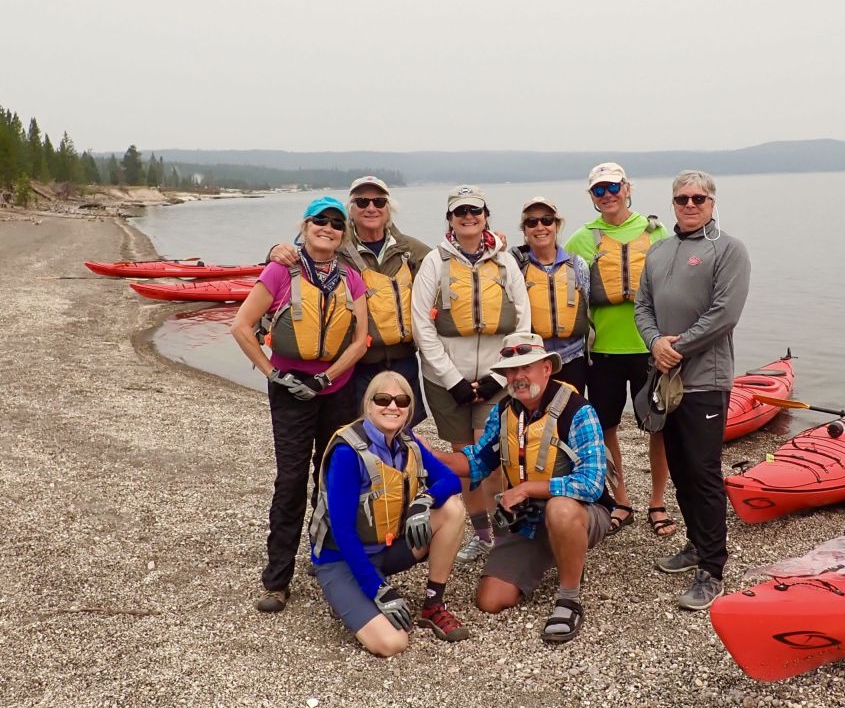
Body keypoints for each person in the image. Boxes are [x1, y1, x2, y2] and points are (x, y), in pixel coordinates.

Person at [231, 196, 369, 613]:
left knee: (331, 478)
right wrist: (273, 373)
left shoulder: (351, 278)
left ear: (343, 233)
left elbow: (361, 339)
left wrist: (328, 376)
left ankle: (323, 556)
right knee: (290, 482)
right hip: (290, 390)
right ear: (305, 227)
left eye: (335, 224)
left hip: (337, 388)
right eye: (319, 222)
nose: (327, 229)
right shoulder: (280, 271)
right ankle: (276, 581)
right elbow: (240, 326)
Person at [433, 332, 612, 643]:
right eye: (510, 371)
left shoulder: (578, 410)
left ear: (546, 367)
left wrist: (529, 489)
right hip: (527, 520)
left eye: (525, 367)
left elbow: (592, 483)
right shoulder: (504, 411)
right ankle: (559, 552)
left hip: (580, 513)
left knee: (561, 508)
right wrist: (429, 457)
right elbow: (477, 461)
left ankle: (569, 598)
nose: (517, 377)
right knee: (489, 601)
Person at [634, 170, 751, 610]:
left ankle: (713, 568)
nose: (689, 204)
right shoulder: (660, 250)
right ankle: (696, 546)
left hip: (705, 381)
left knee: (702, 473)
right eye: (681, 198)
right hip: (666, 377)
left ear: (712, 202)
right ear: (672, 203)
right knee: (680, 470)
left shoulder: (728, 250)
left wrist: (677, 347)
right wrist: (655, 343)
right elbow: (642, 306)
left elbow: (725, 314)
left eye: (698, 198)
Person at [308, 371, 470, 656]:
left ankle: (433, 606)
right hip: (341, 560)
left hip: (387, 548)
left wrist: (425, 500)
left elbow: (451, 480)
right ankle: (347, 593)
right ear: (368, 405)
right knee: (393, 643)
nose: (392, 406)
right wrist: (377, 590)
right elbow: (343, 532)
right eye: (383, 399)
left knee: (452, 508)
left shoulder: (408, 442)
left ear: (409, 409)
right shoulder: (348, 452)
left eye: (402, 400)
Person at [410, 185, 531, 564]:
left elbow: (523, 318)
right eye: (460, 211)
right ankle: (482, 535)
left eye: (474, 211)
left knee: (491, 458)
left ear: (485, 216)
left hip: (496, 378)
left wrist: (500, 375)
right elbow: (421, 324)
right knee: (464, 459)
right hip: (447, 381)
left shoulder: (505, 261)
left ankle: (504, 526)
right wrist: (453, 380)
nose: (468, 217)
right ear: (450, 219)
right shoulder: (435, 262)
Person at [564, 163, 674, 538]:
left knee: (657, 426)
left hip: (649, 348)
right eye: (598, 190)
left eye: (613, 187)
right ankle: (622, 499)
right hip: (604, 353)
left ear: (627, 187)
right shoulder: (581, 239)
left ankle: (658, 502)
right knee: (606, 427)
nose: (607, 195)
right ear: (591, 197)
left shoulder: (656, 232)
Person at [268, 176, 431, 424]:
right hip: (357, 363)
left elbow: (447, 266)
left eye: (379, 201)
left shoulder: (412, 249)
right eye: (362, 202)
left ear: (389, 209)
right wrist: (273, 251)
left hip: (404, 360)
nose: (371, 208)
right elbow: (302, 253)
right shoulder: (336, 247)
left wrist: (491, 240)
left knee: (405, 429)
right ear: (350, 211)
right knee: (359, 430)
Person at [509, 197, 589, 393]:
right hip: (531, 359)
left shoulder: (578, 266)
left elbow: (588, 304)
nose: (540, 227)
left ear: (556, 225)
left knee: (568, 416)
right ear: (524, 230)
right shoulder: (514, 267)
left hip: (573, 359)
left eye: (546, 220)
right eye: (531, 222)